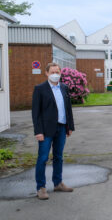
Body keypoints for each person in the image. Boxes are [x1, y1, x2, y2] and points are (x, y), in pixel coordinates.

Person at [32, 62, 75, 200]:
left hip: (62, 128)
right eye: (52, 72)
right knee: (43, 158)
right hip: (45, 130)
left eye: (57, 72)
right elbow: (36, 112)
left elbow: (68, 109)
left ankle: (58, 183)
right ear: (46, 73)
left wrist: (69, 127)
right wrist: (38, 131)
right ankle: (41, 188)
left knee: (59, 157)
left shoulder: (64, 87)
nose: (55, 75)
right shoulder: (40, 89)